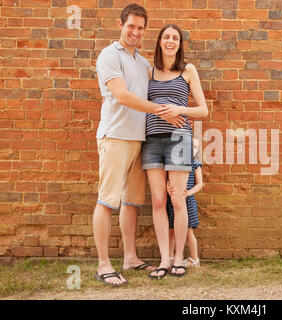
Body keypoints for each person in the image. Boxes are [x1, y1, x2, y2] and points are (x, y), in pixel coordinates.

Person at [93, 4, 186, 286]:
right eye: (131, 26)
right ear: (121, 25)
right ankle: (103, 265)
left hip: (139, 140)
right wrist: (160, 109)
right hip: (116, 137)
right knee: (107, 200)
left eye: (140, 28)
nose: (135, 32)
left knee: (131, 202)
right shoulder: (110, 55)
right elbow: (121, 95)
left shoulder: (143, 63)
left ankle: (130, 257)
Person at [142, 24, 208, 279]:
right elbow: (139, 103)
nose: (171, 41)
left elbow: (203, 110)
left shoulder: (187, 70)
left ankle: (180, 258)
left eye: (175, 38)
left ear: (180, 44)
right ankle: (164, 259)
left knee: (177, 198)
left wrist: (179, 110)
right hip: (152, 141)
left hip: (180, 140)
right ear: (159, 42)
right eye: (166, 37)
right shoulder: (149, 72)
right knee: (158, 201)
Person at [167, 138, 203, 268]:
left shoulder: (195, 164)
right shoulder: (174, 163)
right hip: (173, 200)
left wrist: (188, 192)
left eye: (194, 147)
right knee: (171, 230)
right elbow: (168, 180)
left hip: (188, 201)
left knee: (188, 231)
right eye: (189, 146)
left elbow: (200, 184)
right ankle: (170, 257)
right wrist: (168, 188)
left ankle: (194, 259)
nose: (191, 149)